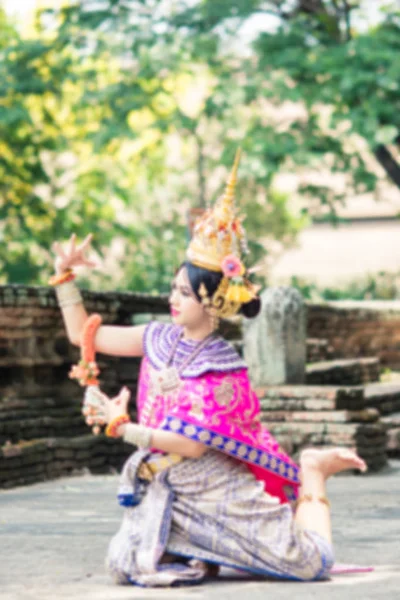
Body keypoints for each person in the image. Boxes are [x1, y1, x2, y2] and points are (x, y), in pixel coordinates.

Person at [50, 151, 367, 587]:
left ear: (214, 301)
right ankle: (198, 552)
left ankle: (312, 469)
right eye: (173, 288)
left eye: (185, 292)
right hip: (164, 480)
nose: (173, 299)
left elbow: (195, 447)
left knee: (310, 564)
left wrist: (124, 428)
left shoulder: (224, 370)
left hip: (212, 485)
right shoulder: (156, 338)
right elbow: (84, 336)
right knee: (125, 563)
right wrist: (65, 278)